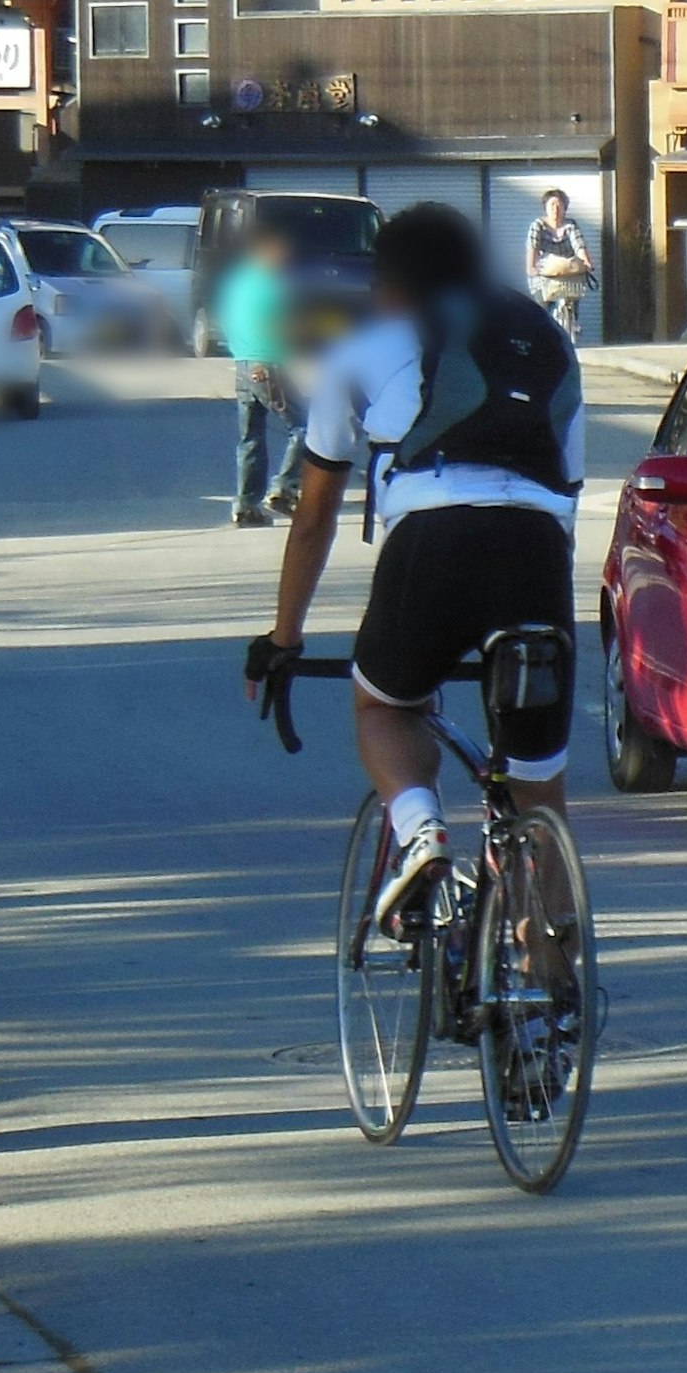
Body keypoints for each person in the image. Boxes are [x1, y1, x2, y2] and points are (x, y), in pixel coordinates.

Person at [244, 203, 584, 935]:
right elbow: (569, 489)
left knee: (387, 705)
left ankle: (422, 829)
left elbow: (313, 517)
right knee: (537, 788)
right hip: (536, 555)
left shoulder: (363, 349)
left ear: (391, 283)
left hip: (432, 541)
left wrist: (284, 639)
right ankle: (548, 1005)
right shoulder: (547, 344)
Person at [217, 228, 300, 527]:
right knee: (306, 427)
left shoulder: (237, 283)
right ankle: (284, 488)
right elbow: (281, 326)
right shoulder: (272, 285)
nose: (284, 259)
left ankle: (245, 505)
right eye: (280, 253)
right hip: (267, 363)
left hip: (242, 363)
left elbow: (227, 321)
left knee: (250, 437)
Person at [522, 190, 597, 347]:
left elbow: (579, 245)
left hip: (567, 272)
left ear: (565, 208)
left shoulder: (570, 226)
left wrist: (586, 262)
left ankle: (573, 322)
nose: (555, 209)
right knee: (542, 310)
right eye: (552, 205)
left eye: (559, 205)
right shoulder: (538, 225)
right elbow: (533, 247)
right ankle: (540, 341)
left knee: (573, 293)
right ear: (545, 207)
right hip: (545, 274)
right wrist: (531, 267)